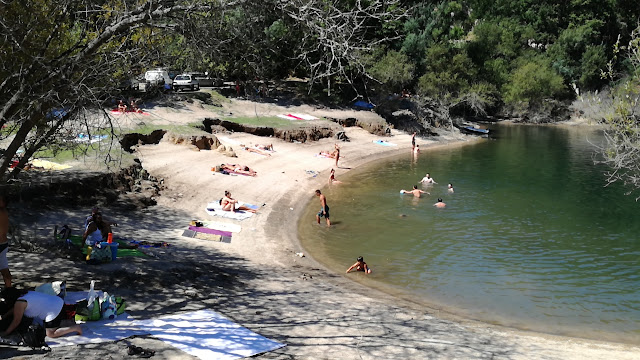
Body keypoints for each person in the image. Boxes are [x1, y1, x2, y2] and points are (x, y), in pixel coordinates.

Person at [0, 287, 82, 338]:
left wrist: (6, 332)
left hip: (53, 310)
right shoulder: (24, 294)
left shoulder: (20, 303)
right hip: (58, 301)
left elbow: (16, 321)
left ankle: (75, 328)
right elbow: (15, 309)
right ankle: (62, 322)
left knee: (50, 334)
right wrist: (4, 316)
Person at [0, 195, 11, 288]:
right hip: (3, 244)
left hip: (2, 244)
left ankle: (9, 290)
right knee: (4, 268)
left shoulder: (2, 212)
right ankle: (9, 290)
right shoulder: (4, 212)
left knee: (4, 269)